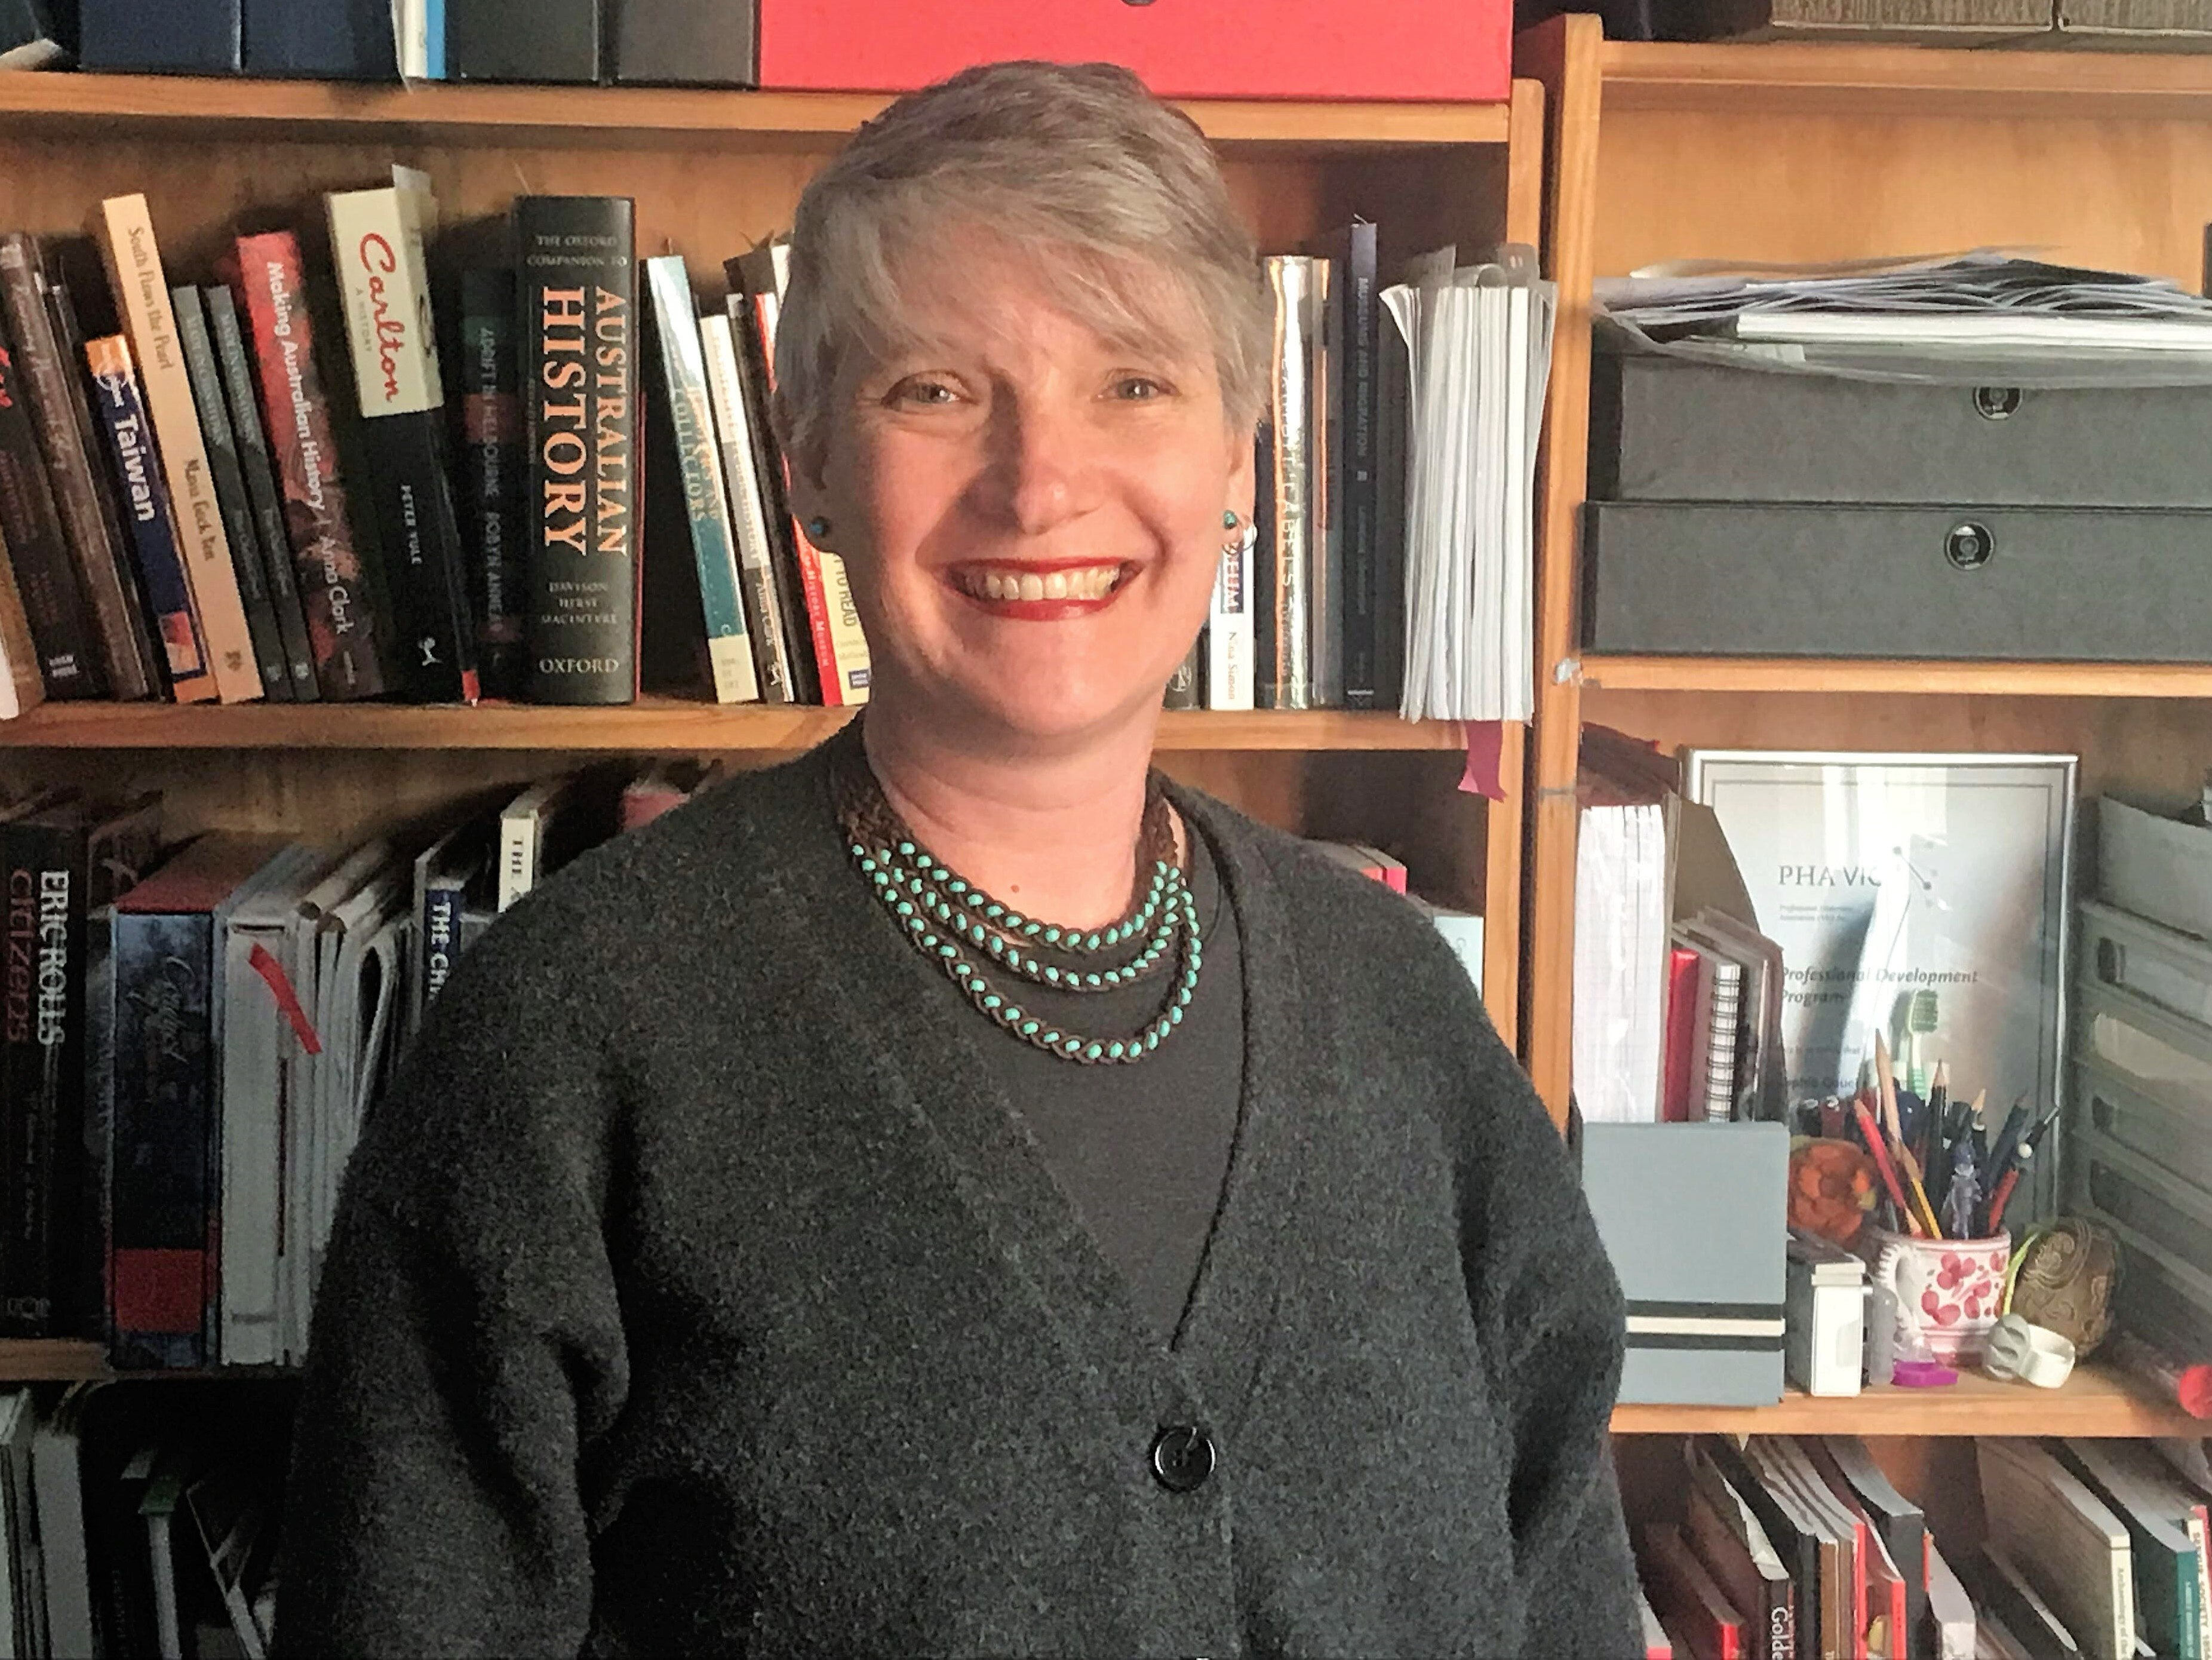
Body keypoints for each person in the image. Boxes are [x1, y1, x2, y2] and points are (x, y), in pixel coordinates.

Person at [276, 59, 1639, 1659]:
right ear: (807, 462)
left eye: (1133, 384)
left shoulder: (1405, 1014)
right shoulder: (569, 1037)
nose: (1038, 484)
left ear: (1240, 456)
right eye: (933, 389)